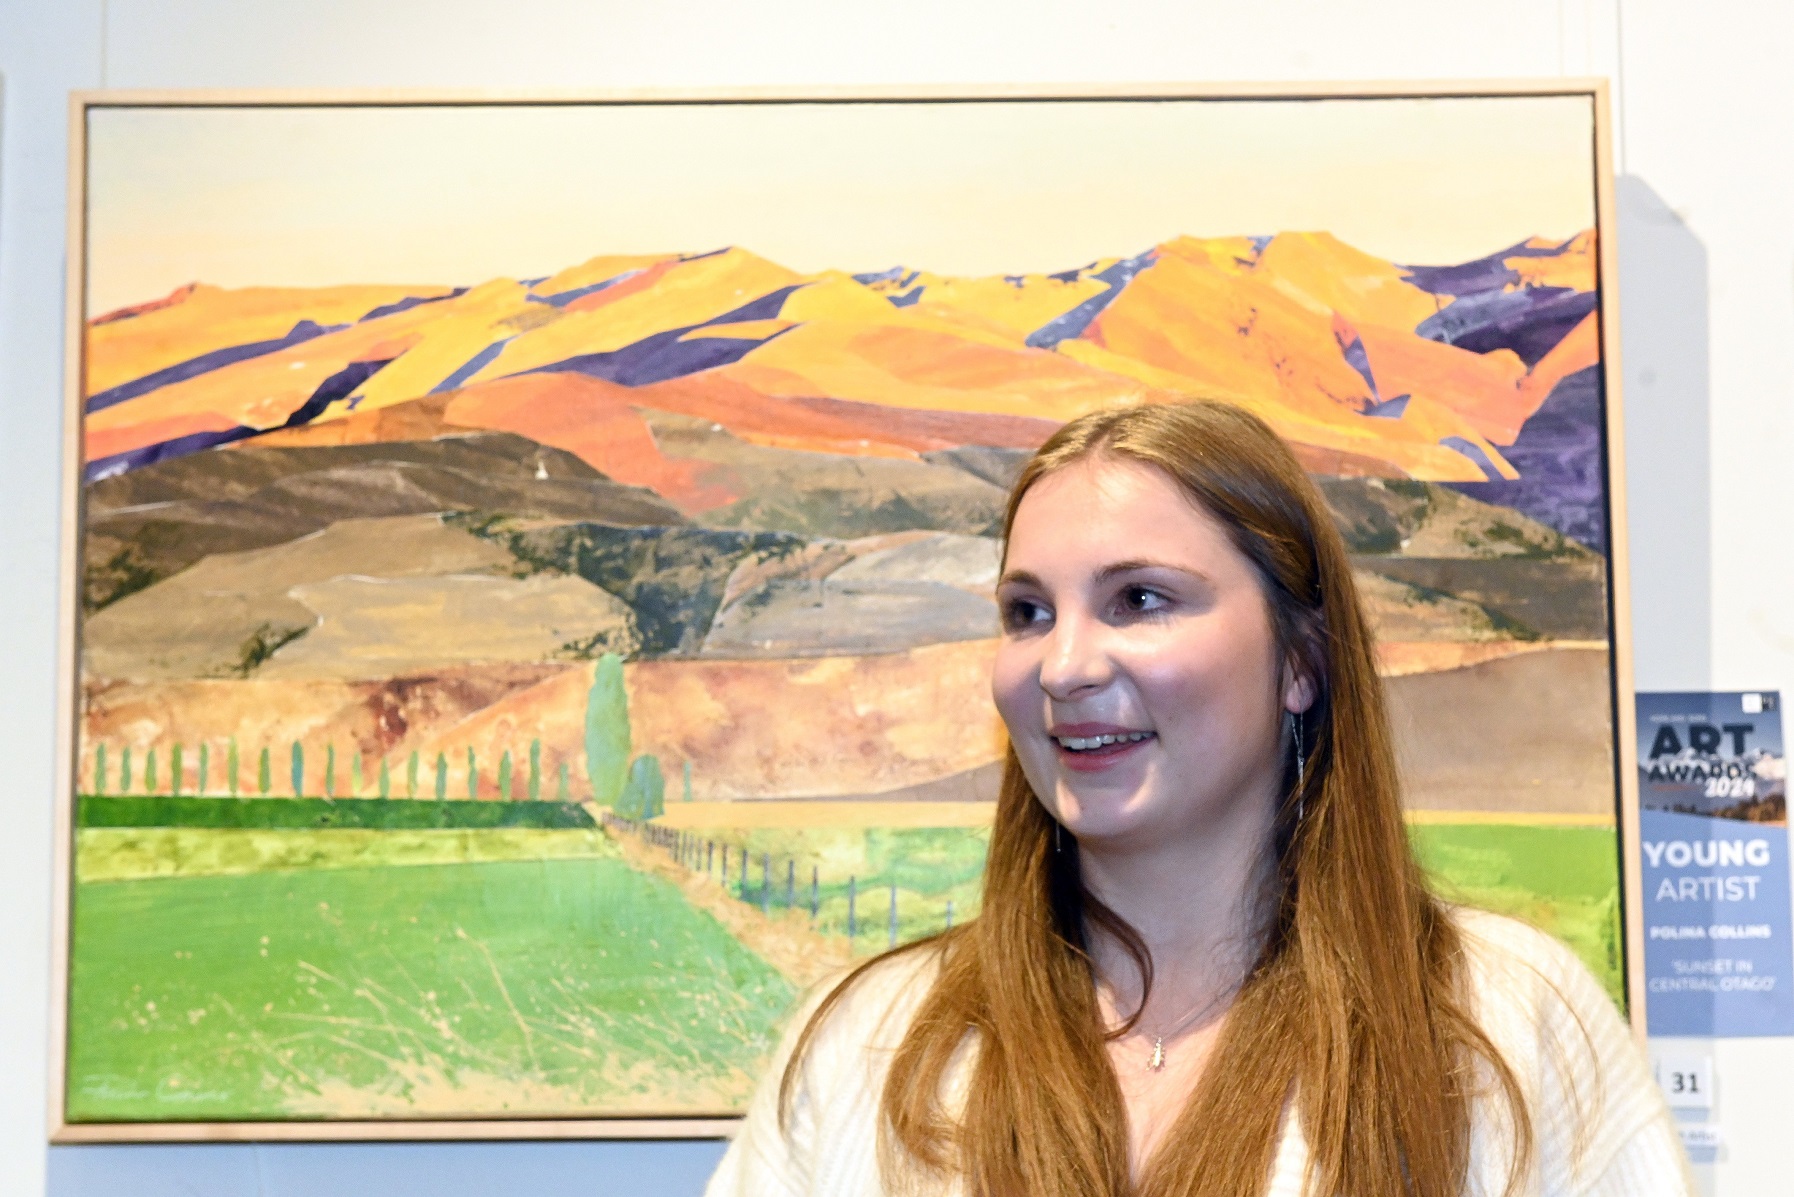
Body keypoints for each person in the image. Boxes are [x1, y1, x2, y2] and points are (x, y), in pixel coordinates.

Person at [705, 401, 1692, 1197]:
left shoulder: (1509, 1028)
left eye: (1139, 599)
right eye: (1028, 612)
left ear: (1300, 661)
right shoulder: (869, 1046)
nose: (1066, 664)